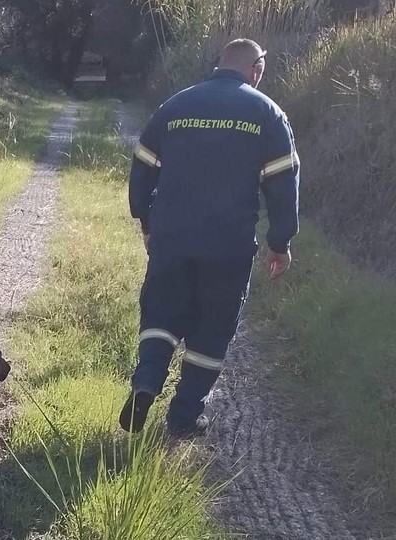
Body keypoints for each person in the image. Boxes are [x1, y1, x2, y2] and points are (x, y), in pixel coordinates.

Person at [120, 38, 300, 438]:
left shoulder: (176, 105)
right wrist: (280, 241)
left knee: (161, 313)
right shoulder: (267, 114)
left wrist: (146, 220)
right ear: (257, 69)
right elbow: (283, 183)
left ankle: (146, 381)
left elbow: (143, 165)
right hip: (228, 247)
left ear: (219, 62)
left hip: (172, 238)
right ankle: (184, 417)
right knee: (212, 329)